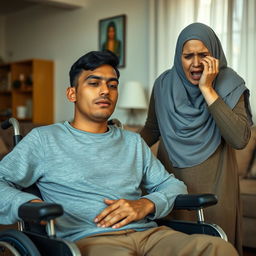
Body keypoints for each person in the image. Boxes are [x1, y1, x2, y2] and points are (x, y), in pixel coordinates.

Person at [0, 50, 238, 256]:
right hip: (89, 240)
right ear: (72, 94)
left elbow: (173, 186)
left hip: (150, 234)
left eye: (112, 85)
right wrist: (26, 202)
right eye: (94, 83)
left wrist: (146, 204)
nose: (105, 91)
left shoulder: (133, 142)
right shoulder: (44, 139)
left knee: (219, 248)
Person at [140, 22, 253, 255]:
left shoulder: (230, 83)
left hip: (216, 183)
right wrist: (120, 147)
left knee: (216, 245)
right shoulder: (163, 84)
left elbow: (239, 139)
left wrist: (208, 89)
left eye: (203, 55)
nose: (196, 63)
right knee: (173, 245)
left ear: (214, 54)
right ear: (178, 57)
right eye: (188, 55)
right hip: (170, 180)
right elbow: (152, 129)